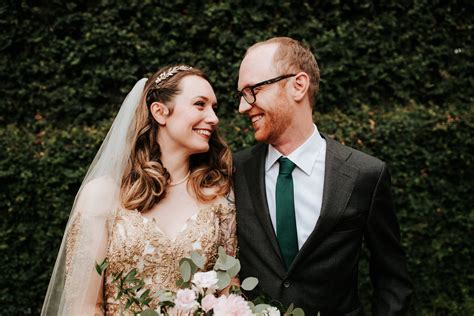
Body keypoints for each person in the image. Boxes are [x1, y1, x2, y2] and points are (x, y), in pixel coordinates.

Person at [233, 37, 413, 315]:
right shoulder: (233, 171)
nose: (244, 107)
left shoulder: (364, 174)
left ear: (298, 85)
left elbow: (392, 277)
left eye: (253, 90)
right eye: (241, 95)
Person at [42, 65, 236, 315]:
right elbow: (85, 305)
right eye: (200, 104)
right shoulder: (102, 196)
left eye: (214, 108)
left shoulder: (218, 197)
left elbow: (230, 296)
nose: (213, 118)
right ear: (160, 112)